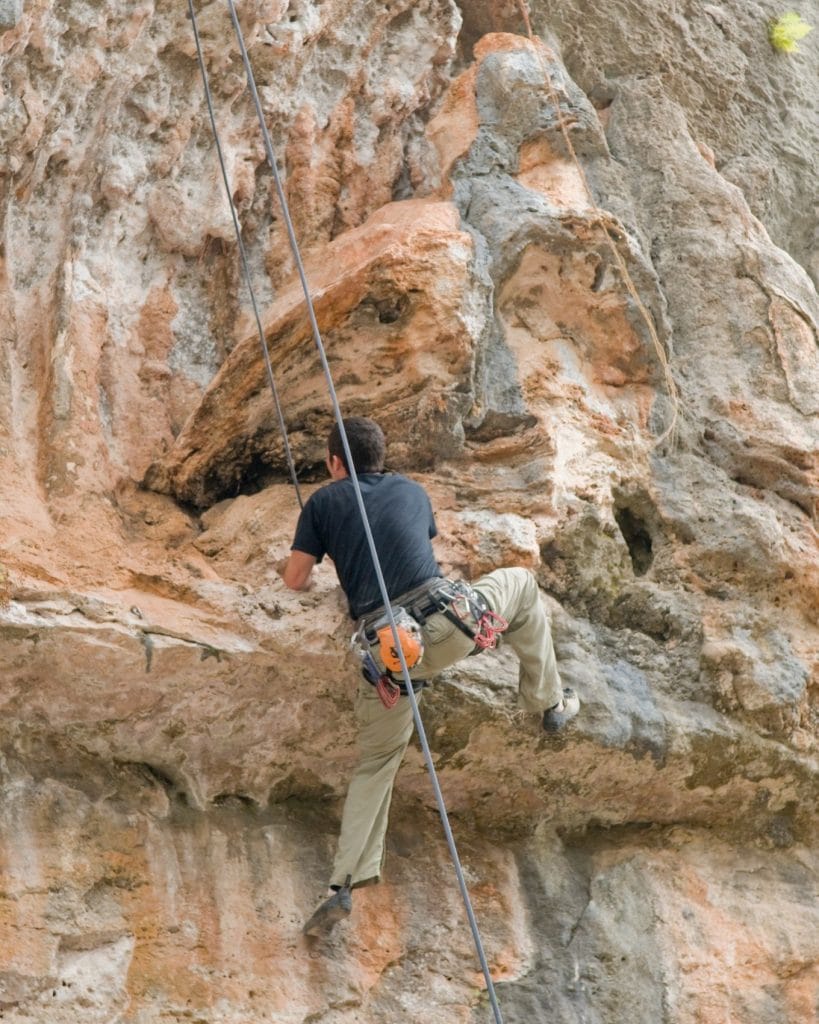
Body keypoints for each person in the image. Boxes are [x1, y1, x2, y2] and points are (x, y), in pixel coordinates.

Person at [281, 417, 579, 936]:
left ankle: (342, 886)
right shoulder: (412, 491)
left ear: (333, 463)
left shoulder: (323, 503)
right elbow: (412, 546)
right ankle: (549, 703)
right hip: (452, 625)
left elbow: (295, 580)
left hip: (391, 657)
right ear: (382, 456)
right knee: (521, 586)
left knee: (376, 763)